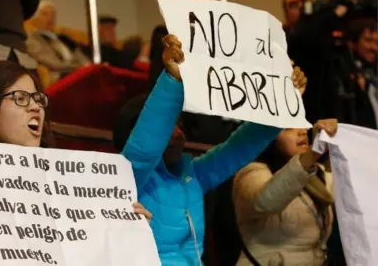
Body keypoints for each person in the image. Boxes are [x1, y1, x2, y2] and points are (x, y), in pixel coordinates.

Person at [0, 61, 152, 266]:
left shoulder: (67, 179)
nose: (35, 107)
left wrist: (126, 231)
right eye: (20, 98)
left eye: (37, 98)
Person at [113, 34, 308, 266]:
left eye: (179, 124)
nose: (177, 134)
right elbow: (144, 149)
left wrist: (283, 104)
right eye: (168, 128)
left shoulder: (191, 175)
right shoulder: (129, 181)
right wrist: (173, 82)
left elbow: (236, 150)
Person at [232, 119, 338, 265]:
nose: (302, 130)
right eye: (288, 128)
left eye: (301, 124)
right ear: (268, 137)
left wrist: (337, 140)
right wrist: (314, 152)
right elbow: (265, 202)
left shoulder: (315, 172)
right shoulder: (250, 173)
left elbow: (348, 195)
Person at [26, 1, 90, 85]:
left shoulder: (62, 37)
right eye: (45, 14)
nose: (50, 18)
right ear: (35, 18)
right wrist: (82, 68)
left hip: (76, 72)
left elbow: (79, 56)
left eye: (53, 14)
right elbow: (54, 64)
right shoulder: (32, 39)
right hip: (59, 76)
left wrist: (90, 66)